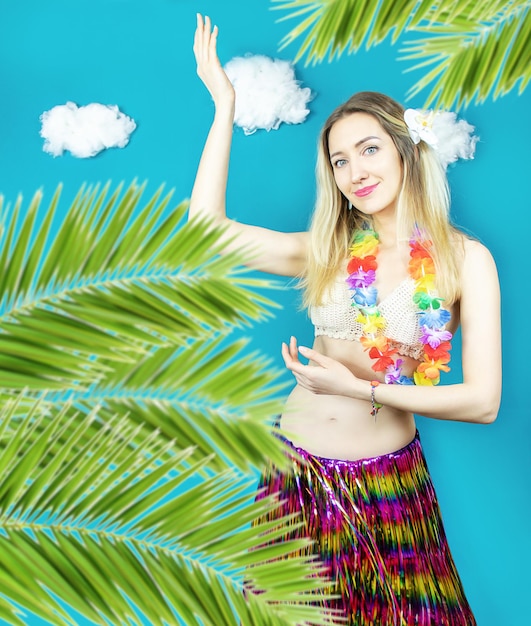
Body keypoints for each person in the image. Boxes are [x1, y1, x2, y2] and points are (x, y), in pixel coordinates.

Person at [191, 13, 501, 626]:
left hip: (389, 487)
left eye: (369, 149)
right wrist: (223, 108)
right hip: (296, 476)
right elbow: (205, 234)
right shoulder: (326, 249)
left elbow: (484, 401)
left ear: (407, 151)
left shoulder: (466, 260)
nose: (355, 171)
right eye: (339, 160)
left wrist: (358, 388)